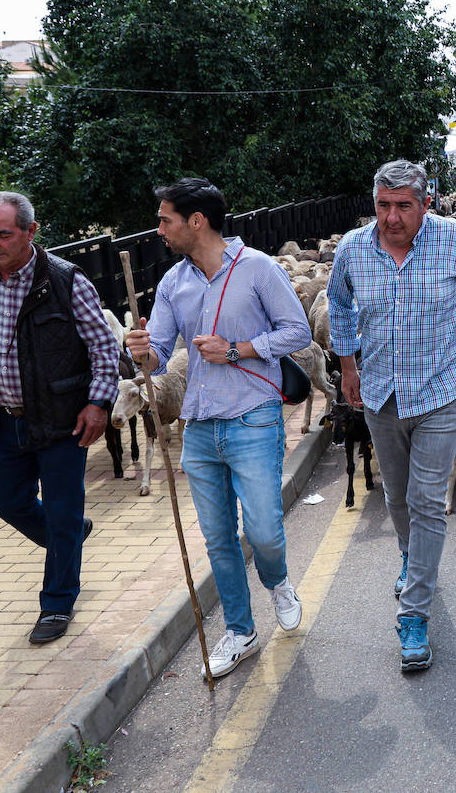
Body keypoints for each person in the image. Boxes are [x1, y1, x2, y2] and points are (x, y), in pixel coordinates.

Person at [124, 179, 311, 679]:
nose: (159, 229)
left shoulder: (259, 269)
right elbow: (160, 356)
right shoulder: (172, 283)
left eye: (166, 219)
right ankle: (241, 630)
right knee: (218, 539)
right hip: (199, 427)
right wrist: (140, 348)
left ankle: (278, 582)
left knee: (265, 532)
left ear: (197, 221)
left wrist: (237, 349)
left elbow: (298, 331)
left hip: (253, 417)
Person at [327, 159, 456, 672]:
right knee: (397, 495)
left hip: (442, 391)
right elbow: (337, 306)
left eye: (403, 206)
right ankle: (411, 555)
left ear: (425, 204)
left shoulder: (453, 240)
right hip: (381, 393)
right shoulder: (353, 250)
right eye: (383, 206)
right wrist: (347, 366)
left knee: (428, 499)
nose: (391, 217)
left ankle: (414, 615)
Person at [0, 192, 120, 644]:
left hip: (61, 417)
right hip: (2, 419)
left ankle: (56, 604)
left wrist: (98, 403)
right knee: (8, 503)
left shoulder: (64, 280)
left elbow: (102, 346)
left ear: (31, 231)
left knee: (61, 511)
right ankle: (70, 535)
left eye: (3, 234)